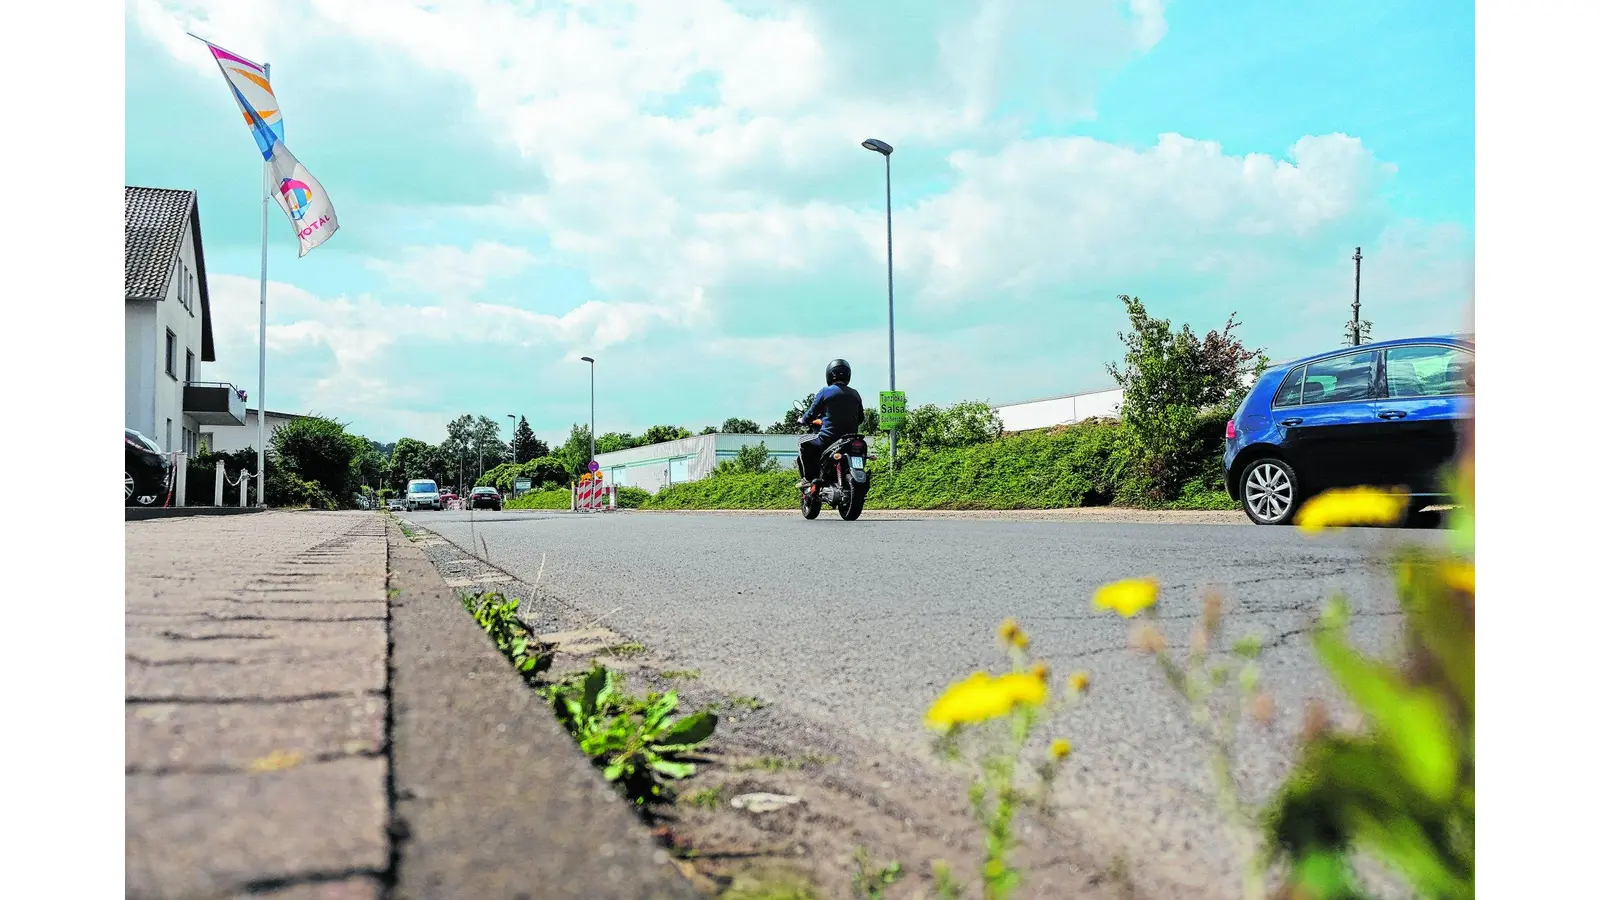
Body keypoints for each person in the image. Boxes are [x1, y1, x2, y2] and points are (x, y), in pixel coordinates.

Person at [798, 358, 865, 491]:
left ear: (829, 374)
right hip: (850, 439)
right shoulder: (855, 394)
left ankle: (809, 478)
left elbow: (811, 413)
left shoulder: (825, 391)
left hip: (829, 438)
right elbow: (861, 418)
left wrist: (803, 420)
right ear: (848, 375)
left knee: (804, 444)